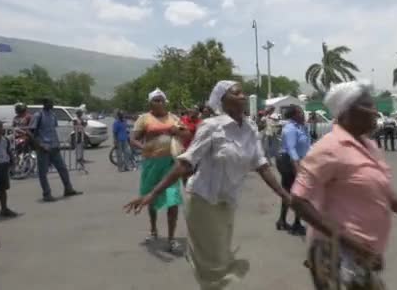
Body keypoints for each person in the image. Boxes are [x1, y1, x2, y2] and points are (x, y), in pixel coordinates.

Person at [124, 80, 290, 290]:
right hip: (202, 200)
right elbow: (185, 163)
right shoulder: (211, 127)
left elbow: (262, 164)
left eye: (243, 93)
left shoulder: (249, 128)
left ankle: (200, 261)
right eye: (236, 93)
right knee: (214, 268)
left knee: (220, 257)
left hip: (227, 201)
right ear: (223, 101)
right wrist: (153, 193)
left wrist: (285, 195)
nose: (243, 96)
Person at [290, 80, 397, 290]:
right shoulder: (329, 148)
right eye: (368, 106)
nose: (375, 112)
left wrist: (395, 201)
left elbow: (375, 182)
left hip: (363, 252)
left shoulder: (369, 145)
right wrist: (350, 243)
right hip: (336, 253)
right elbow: (299, 201)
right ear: (346, 113)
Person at [129, 88, 190, 253]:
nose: (159, 102)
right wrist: (145, 148)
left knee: (173, 200)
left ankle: (171, 239)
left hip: (171, 164)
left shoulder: (173, 118)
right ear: (150, 102)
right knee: (151, 198)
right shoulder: (144, 119)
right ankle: (154, 229)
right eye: (156, 100)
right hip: (151, 165)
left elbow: (186, 134)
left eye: (162, 99)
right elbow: (133, 139)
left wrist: (177, 130)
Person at [30, 98, 83, 202]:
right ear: (44, 104)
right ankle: (47, 194)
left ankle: (68, 189)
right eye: (50, 103)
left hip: (54, 146)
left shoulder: (53, 115)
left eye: (52, 103)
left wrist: (58, 143)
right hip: (43, 148)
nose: (52, 105)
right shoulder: (38, 116)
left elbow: (53, 130)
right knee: (43, 172)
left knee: (62, 168)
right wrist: (40, 145)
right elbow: (31, 132)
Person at [275, 105, 310, 236]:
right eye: (301, 112)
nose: (304, 115)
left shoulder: (301, 127)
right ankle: (295, 224)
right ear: (295, 115)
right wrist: (297, 168)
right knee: (298, 192)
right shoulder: (290, 128)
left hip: (298, 161)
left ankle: (283, 221)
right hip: (288, 161)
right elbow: (291, 149)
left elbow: (306, 146)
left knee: (290, 190)